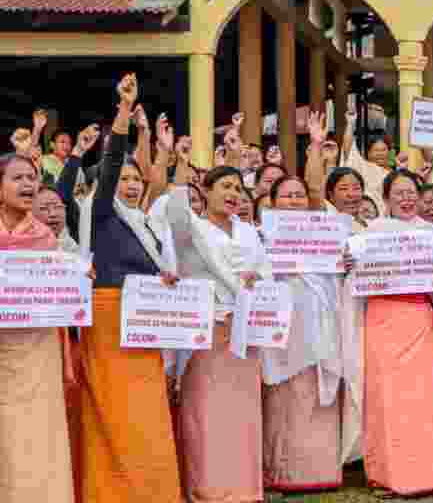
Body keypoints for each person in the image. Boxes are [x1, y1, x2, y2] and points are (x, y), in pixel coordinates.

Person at [74, 75, 181, 503]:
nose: (132, 185)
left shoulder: (145, 226)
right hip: (107, 320)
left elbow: (150, 271)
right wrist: (124, 112)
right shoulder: (100, 214)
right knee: (113, 412)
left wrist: (166, 281)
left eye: (138, 180)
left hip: (145, 323)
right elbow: (114, 158)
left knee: (148, 413)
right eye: (123, 179)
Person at [342, 168, 433, 496]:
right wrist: (350, 264)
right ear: (386, 198)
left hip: (419, 317)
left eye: (411, 193)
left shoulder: (432, 235)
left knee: (419, 399)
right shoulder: (370, 233)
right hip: (381, 317)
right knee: (385, 399)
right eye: (399, 193)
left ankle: (425, 476)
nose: (406, 199)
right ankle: (387, 475)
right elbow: (356, 278)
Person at [167, 164, 270, 503]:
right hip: (207, 330)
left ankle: (245, 488)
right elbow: (176, 212)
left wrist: (257, 280)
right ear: (206, 191)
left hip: (246, 331)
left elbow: (266, 273)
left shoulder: (249, 232)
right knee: (207, 414)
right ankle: (208, 489)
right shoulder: (192, 230)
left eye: (238, 189)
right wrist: (178, 165)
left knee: (243, 414)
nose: (232, 194)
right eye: (225, 186)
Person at [261, 176, 348, 492]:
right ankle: (284, 472)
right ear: (272, 201)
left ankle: (322, 471)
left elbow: (336, 275)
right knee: (287, 396)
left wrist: (344, 262)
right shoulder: (261, 236)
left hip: (321, 320)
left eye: (299, 195)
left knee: (318, 393)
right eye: (287, 196)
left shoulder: (325, 233)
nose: (295, 201)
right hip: (283, 325)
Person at [0, 153, 75, 503]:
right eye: (17, 178)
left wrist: (77, 279)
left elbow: (59, 290)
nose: (28, 185)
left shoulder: (45, 235)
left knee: (37, 425)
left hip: (38, 347)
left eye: (32, 178)